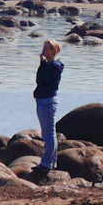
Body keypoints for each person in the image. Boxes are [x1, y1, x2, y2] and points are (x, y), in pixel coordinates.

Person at [33, 39, 64, 172]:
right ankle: (51, 162)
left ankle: (46, 163)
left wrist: (43, 64)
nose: (43, 50)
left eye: (46, 48)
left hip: (48, 100)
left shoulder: (55, 66)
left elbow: (42, 80)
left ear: (53, 50)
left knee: (49, 133)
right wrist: (42, 63)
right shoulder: (48, 65)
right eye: (44, 47)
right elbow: (38, 79)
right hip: (42, 100)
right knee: (47, 133)